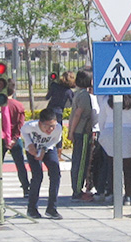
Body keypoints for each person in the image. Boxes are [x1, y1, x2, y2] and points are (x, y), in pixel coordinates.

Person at [21, 107, 63, 220]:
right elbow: (23, 132)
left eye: (52, 126)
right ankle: (32, 209)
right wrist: (30, 145)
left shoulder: (58, 128)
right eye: (47, 126)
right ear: (40, 123)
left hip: (48, 148)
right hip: (33, 148)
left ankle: (52, 208)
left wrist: (44, 149)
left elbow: (56, 140)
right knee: (37, 176)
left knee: (55, 174)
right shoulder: (31, 126)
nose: (50, 129)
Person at [67, 69, 98, 201]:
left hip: (79, 131)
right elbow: (78, 114)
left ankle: (77, 188)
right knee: (81, 163)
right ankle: (77, 191)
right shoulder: (84, 95)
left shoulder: (78, 93)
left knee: (77, 161)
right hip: (83, 132)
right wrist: (72, 131)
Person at [5, 88, 32, 197]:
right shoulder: (18, 105)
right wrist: (15, 138)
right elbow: (21, 124)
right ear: (14, 91)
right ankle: (26, 188)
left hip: (2, 138)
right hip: (15, 139)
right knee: (20, 165)